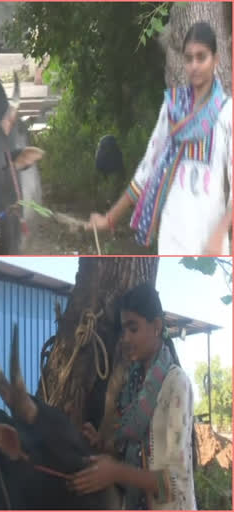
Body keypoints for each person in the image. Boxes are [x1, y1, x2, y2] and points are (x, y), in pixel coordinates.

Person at [90, 21, 232, 255]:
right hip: (173, 232)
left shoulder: (227, 112)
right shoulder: (172, 107)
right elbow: (148, 168)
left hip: (210, 236)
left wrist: (221, 235)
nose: (194, 65)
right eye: (189, 58)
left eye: (201, 57)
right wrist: (110, 219)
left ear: (215, 60)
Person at [70, 283, 196, 510]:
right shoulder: (132, 385)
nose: (125, 338)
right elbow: (136, 456)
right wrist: (102, 447)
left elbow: (174, 484)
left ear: (156, 326)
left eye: (133, 328)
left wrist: (116, 472)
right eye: (123, 330)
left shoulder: (175, 384)